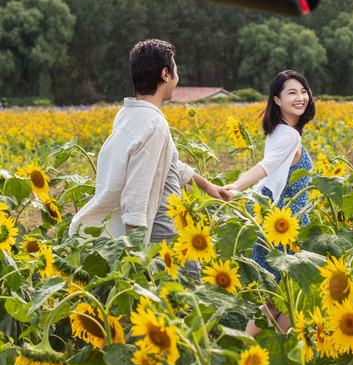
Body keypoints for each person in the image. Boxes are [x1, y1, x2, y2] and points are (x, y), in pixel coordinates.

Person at [68, 39, 231, 265]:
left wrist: (207, 185)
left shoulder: (128, 114)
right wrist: (135, 258)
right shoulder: (154, 124)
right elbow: (136, 194)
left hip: (161, 228)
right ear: (165, 74)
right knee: (185, 294)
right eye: (175, 69)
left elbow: (169, 162)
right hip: (163, 234)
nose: (177, 76)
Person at [224, 70, 316, 335]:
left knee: (274, 301)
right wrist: (236, 187)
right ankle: (274, 350)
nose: (300, 98)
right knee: (293, 297)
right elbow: (266, 167)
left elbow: (270, 176)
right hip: (287, 227)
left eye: (303, 91)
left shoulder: (277, 131)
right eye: (292, 93)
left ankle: (254, 350)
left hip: (273, 223)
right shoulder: (289, 135)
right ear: (276, 99)